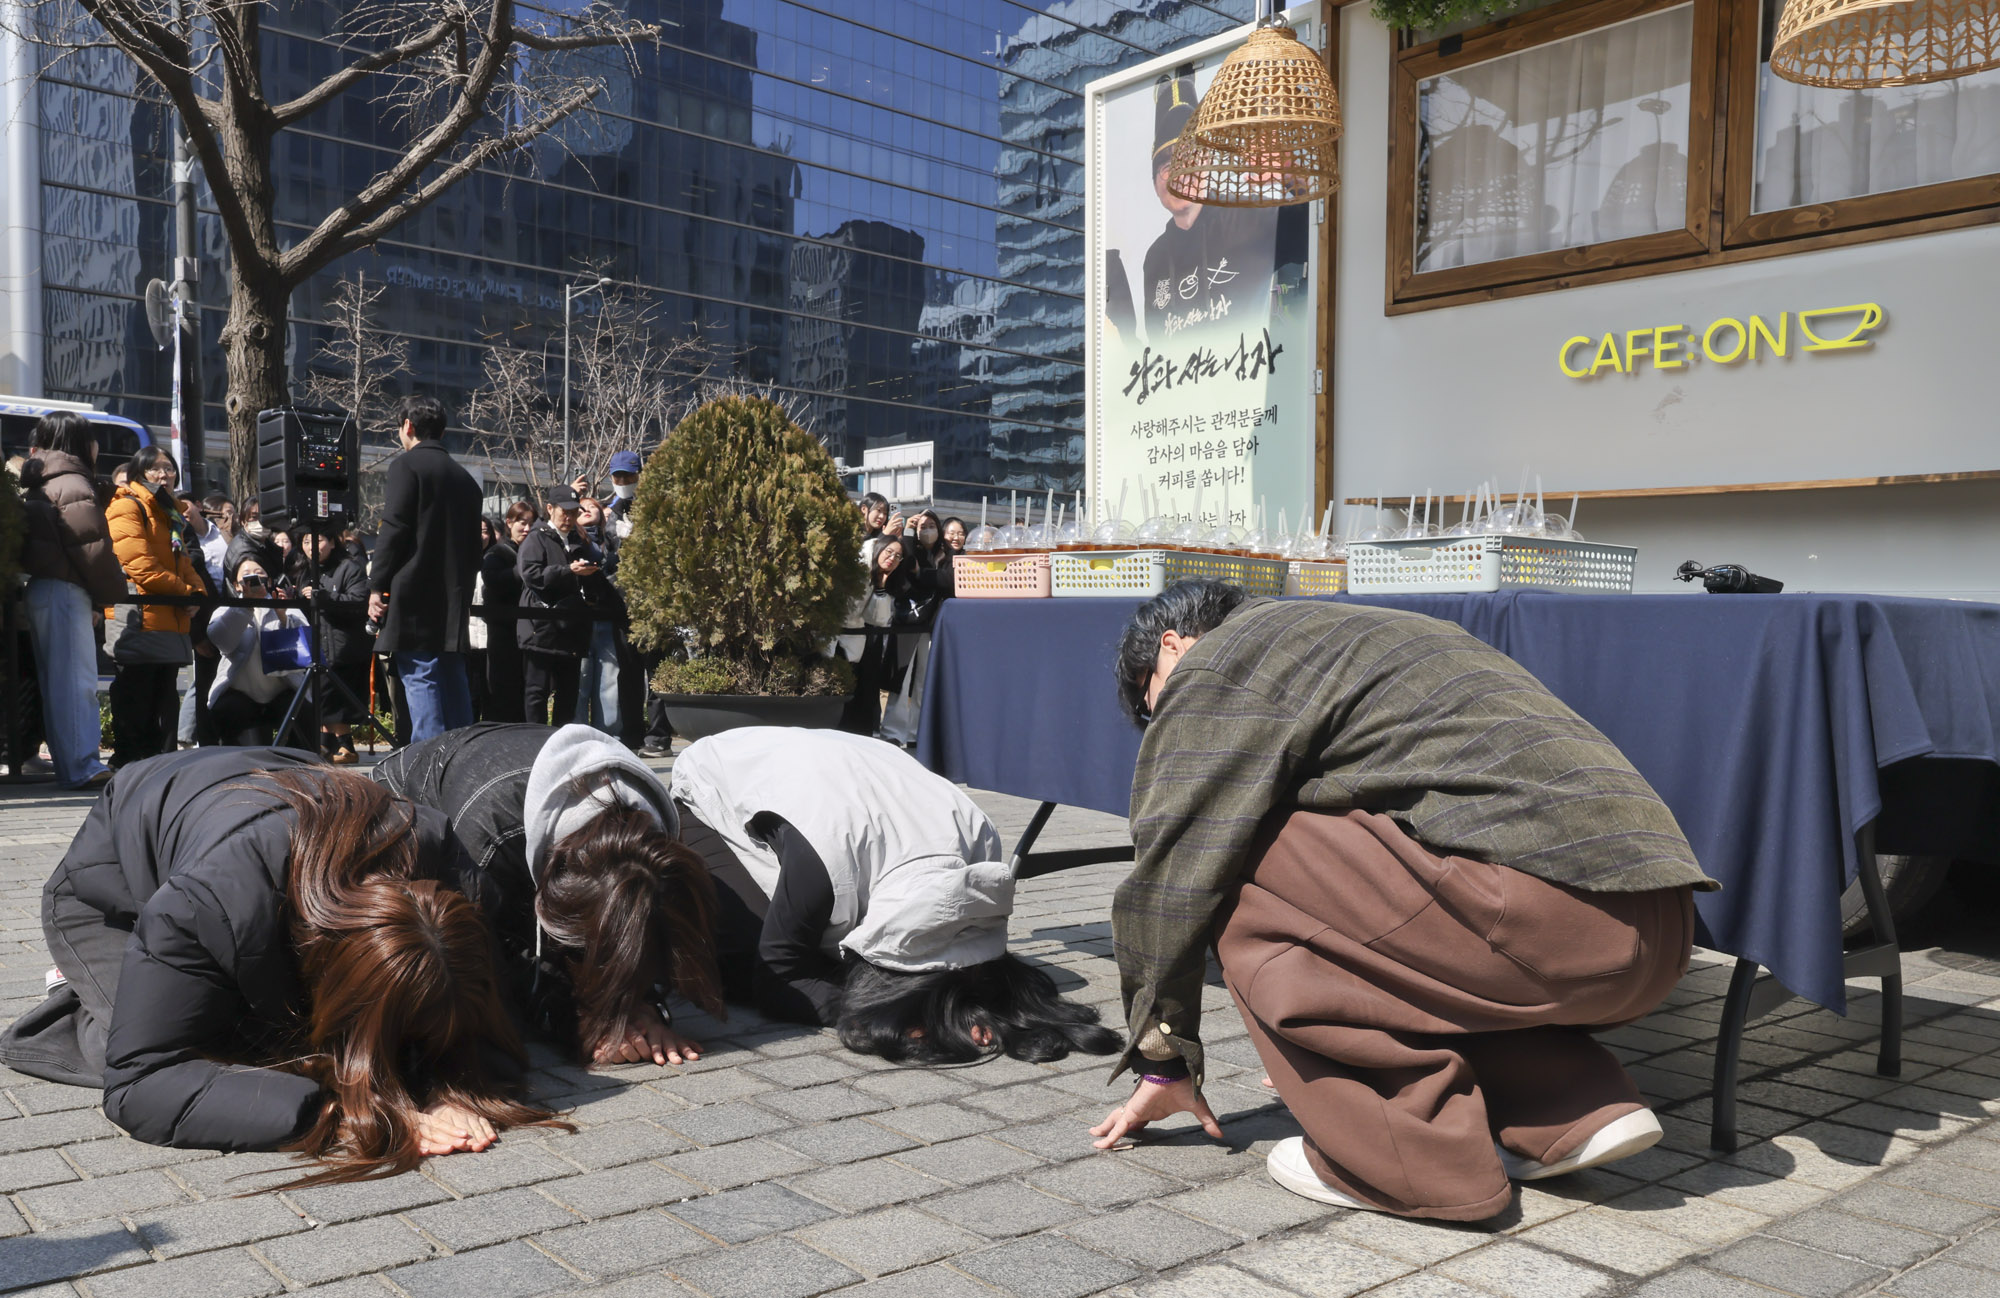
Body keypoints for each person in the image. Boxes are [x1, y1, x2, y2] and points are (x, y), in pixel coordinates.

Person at [1090, 581, 1715, 1221]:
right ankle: (1566, 1108)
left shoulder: (1220, 660)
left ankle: (1412, 1159)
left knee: (1233, 849)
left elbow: (1167, 875)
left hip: (1538, 922)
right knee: (1345, 872)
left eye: (1149, 707)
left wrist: (1163, 1057)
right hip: (1657, 928)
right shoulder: (1365, 632)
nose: (1154, 728)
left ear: (1171, 647)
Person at [0, 747, 560, 1180]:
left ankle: (166, 980)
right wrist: (357, 1113)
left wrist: (447, 1085)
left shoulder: (462, 885)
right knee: (191, 1047)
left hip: (258, 792)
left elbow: (488, 1011)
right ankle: (85, 987)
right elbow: (142, 1084)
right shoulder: (207, 906)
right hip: (112, 884)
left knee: (272, 1038)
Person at [670, 726, 1120, 1063]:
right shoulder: (821, 870)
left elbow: (957, 948)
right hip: (716, 777)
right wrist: (896, 1019)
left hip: (840, 776)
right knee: (736, 956)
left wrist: (975, 1005)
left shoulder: (980, 846)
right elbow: (777, 974)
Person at [372, 723, 721, 1065]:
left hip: (508, 767)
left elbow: (636, 925)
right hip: (408, 789)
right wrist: (582, 1022)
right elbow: (499, 967)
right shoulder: (489, 838)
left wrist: (645, 1009)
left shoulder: (655, 836)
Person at [367, 394, 483, 742]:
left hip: (413, 589)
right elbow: (474, 547)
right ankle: (463, 757)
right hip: (453, 592)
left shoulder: (407, 466)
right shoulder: (465, 479)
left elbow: (395, 528)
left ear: (408, 426)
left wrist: (377, 585)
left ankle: (428, 762)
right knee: (452, 674)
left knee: (420, 674)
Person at [18, 411, 121, 788]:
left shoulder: (41, 479)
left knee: (56, 683)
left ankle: (73, 765)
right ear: (78, 442)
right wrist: (111, 592)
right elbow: (90, 548)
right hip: (66, 589)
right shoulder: (74, 482)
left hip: (44, 588)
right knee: (75, 682)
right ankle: (83, 766)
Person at [103, 447, 203, 768]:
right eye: (155, 469)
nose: (164, 474)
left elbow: (182, 560)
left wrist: (197, 592)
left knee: (163, 694)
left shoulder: (169, 512)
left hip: (169, 617)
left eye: (169, 468)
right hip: (139, 615)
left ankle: (161, 765)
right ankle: (130, 763)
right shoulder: (126, 506)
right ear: (138, 473)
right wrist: (185, 592)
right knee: (136, 693)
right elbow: (138, 564)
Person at [516, 484, 604, 727]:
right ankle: (534, 744)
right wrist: (568, 570)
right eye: (563, 511)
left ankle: (560, 744)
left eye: (574, 512)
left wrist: (590, 579)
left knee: (569, 693)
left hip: (572, 628)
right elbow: (531, 575)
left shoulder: (578, 539)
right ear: (550, 509)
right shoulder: (537, 537)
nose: (568, 517)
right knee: (537, 691)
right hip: (541, 628)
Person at [204, 551, 311, 747]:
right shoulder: (225, 610)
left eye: (259, 574)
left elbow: (303, 654)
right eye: (246, 576)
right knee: (249, 743)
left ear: (269, 580)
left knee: (302, 710)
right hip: (240, 694)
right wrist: (245, 607)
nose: (254, 578)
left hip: (283, 691)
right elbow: (222, 641)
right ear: (236, 585)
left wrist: (282, 616)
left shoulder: (287, 606)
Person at [309, 524, 374, 764]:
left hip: (344, 645)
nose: (311, 547)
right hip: (318, 643)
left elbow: (359, 601)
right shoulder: (309, 568)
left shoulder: (349, 567)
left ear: (333, 542)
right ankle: (332, 747)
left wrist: (326, 598)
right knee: (324, 697)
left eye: (316, 541)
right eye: (305, 542)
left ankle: (343, 747)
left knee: (331, 697)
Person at [839, 535, 911, 737]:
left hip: (856, 639)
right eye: (889, 552)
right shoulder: (860, 566)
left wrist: (880, 588)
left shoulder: (884, 578)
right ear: (878, 549)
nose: (892, 558)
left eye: (898, 556)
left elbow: (878, 619)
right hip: (833, 633)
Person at [174, 493, 229, 749]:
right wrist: (196, 636)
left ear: (198, 506)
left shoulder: (223, 534)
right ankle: (204, 743)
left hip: (232, 616)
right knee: (204, 684)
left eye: (187, 509)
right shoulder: (180, 537)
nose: (183, 514)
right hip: (202, 621)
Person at [475, 504, 532, 724]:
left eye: (530, 523)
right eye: (521, 522)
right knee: (501, 692)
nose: (526, 529)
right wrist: (524, 571)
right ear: (509, 523)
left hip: (527, 632)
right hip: (502, 633)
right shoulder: (498, 552)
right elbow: (493, 581)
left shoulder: (532, 550)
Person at [573, 495, 624, 737]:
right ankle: (579, 735)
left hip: (606, 618)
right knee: (581, 682)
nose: (586, 510)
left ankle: (609, 736)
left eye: (592, 506)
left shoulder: (610, 542)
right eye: (580, 508)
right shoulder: (571, 540)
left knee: (608, 682)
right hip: (579, 620)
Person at [603, 450, 642, 541]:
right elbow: (609, 550)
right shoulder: (615, 510)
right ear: (611, 477)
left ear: (639, 475)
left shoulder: (653, 502)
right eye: (617, 476)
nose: (622, 481)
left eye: (628, 475)